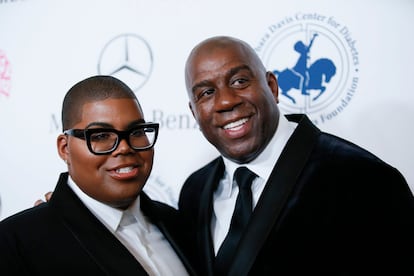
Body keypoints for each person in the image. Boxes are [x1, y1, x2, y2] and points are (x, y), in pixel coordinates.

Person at [178, 35, 414, 275]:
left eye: (239, 81)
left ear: (272, 86)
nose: (226, 101)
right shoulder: (193, 193)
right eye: (206, 92)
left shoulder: (366, 180)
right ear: (194, 112)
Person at [0, 75, 196, 275]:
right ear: (65, 148)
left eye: (136, 132)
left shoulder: (176, 223)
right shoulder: (15, 243)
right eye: (101, 136)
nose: (124, 148)